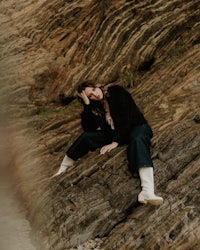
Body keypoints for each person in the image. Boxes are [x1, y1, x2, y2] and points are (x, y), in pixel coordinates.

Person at [53, 80, 163, 205]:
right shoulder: (96, 106)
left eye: (94, 90)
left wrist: (116, 142)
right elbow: (88, 128)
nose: (95, 95)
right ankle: (63, 169)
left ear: (97, 86)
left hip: (136, 127)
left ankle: (147, 191)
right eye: (90, 96)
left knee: (138, 141)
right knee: (87, 137)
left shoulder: (115, 91)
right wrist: (87, 105)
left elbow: (125, 119)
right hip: (115, 133)